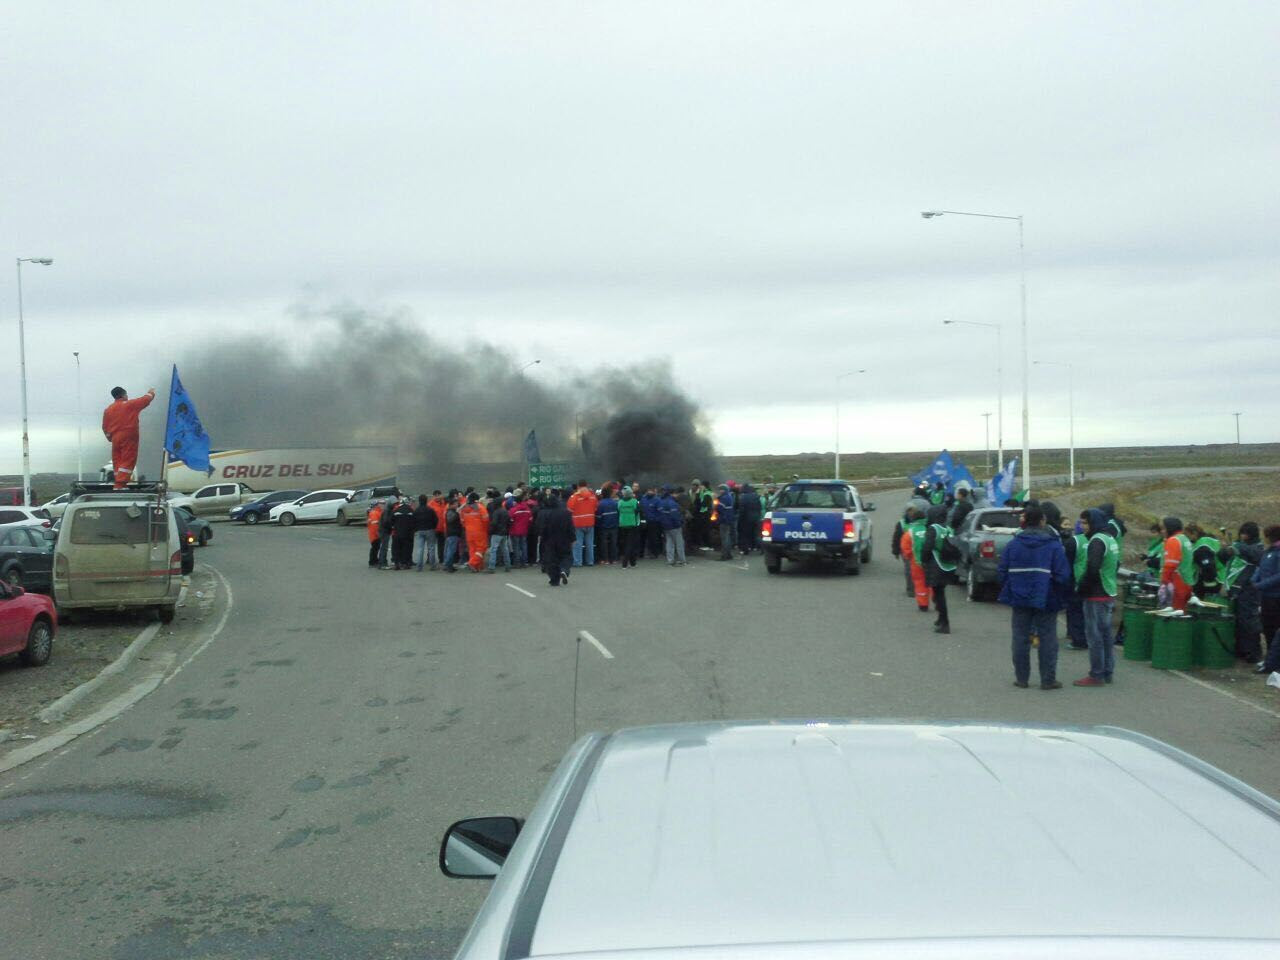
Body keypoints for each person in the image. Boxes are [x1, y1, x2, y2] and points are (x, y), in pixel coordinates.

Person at [998, 504, 1070, 689]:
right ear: (1042, 521)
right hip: (1047, 597)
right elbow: (1063, 575)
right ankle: (1048, 679)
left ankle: (1022, 679)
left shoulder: (1013, 545)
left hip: (1019, 597)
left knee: (1020, 637)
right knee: (1047, 638)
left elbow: (1002, 571)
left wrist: (1012, 587)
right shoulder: (1053, 545)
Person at [1074, 508, 1122, 687]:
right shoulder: (1110, 538)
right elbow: (1116, 564)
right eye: (1081, 522)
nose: (1081, 526)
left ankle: (1096, 674)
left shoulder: (1096, 541)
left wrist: (1083, 589)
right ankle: (1107, 671)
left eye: (1085, 523)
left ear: (1094, 523)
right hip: (1108, 591)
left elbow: (1093, 568)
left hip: (1096, 594)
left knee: (1094, 637)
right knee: (1106, 635)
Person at [1221, 522, 1264, 663]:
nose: (1243, 536)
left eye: (1246, 533)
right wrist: (1225, 550)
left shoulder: (1258, 547)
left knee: (1249, 621)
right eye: (1241, 533)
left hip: (1250, 590)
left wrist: (1238, 547)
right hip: (1236, 588)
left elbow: (1256, 555)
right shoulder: (1238, 545)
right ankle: (1240, 649)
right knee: (1237, 621)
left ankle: (1253, 652)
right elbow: (1224, 559)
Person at [101, 385, 156, 489]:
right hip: (129, 436)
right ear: (123, 395)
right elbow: (145, 400)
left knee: (118, 460)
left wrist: (110, 438)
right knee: (128, 459)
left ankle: (118, 482)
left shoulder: (108, 410)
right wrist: (151, 392)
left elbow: (104, 427)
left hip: (115, 439)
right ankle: (120, 484)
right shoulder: (129, 404)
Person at [1050, 503, 1088, 651]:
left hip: (1078, 581)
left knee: (1076, 610)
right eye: (1065, 524)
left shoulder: (1074, 542)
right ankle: (1078, 635)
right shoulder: (1092, 540)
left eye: (1070, 524)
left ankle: (1078, 638)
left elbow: (1067, 563)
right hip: (1086, 582)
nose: (1068, 527)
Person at [921, 505, 957, 633]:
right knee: (939, 593)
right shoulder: (949, 529)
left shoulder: (933, 529)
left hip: (936, 565)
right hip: (949, 565)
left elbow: (927, 548)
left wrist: (923, 561)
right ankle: (940, 619)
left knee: (939, 595)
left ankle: (944, 623)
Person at [1253, 526, 1280, 675]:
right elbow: (1260, 568)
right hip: (1266, 596)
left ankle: (1274, 662)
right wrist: (1254, 580)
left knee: (1275, 629)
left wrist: (1261, 585)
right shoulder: (1268, 551)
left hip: (1276, 597)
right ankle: (1270, 659)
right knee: (1267, 629)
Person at [1159, 516, 1194, 611]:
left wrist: (1164, 582)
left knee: (1171, 616)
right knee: (1181, 613)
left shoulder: (1173, 540)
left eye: (1163, 528)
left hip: (1176, 584)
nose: (1162, 531)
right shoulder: (1184, 539)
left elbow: (1170, 565)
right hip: (1187, 581)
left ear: (1170, 528)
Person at [540, 495, 576, 586]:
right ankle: (564, 570)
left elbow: (543, 528)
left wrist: (543, 538)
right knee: (567, 556)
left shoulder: (546, 513)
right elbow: (570, 527)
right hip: (564, 539)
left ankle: (554, 579)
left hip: (550, 540)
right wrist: (573, 538)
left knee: (552, 560)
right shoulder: (566, 513)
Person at [901, 507, 930, 612]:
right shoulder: (930, 530)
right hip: (931, 562)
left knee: (919, 583)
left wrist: (909, 557)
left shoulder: (910, 533)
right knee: (932, 582)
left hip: (916, 562)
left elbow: (905, 548)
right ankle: (936, 600)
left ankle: (923, 604)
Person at [1184, 522, 1223, 598]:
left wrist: (1209, 585)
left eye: (1187, 535)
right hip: (1221, 577)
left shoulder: (1201, 547)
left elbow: (1207, 566)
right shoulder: (1210, 540)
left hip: (1213, 582)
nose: (1186, 538)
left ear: (1194, 533)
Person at [567, 480, 598, 567]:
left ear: (578, 486)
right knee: (589, 543)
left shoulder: (574, 497)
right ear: (586, 485)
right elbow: (596, 508)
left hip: (578, 522)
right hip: (590, 521)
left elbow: (569, 509)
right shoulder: (592, 495)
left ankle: (578, 562)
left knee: (577, 544)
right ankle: (590, 561)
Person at [460, 492, 489, 572]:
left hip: (469, 532)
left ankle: (477, 567)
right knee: (481, 548)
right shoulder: (480, 507)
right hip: (480, 531)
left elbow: (462, 521)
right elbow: (486, 520)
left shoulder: (464, 508)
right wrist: (485, 530)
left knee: (472, 550)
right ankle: (472, 563)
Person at [657, 486, 686, 565]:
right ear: (672, 494)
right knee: (679, 543)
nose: (677, 495)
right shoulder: (672, 503)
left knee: (669, 543)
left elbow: (660, 514)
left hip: (665, 526)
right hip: (674, 526)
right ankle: (682, 560)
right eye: (675, 494)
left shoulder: (660, 502)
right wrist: (679, 524)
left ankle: (670, 560)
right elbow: (675, 516)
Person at [412, 495, 439, 572]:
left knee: (420, 548)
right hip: (430, 529)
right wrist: (433, 527)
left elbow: (413, 521)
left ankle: (419, 566)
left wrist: (416, 528)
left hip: (420, 530)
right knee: (431, 548)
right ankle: (432, 565)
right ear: (426, 501)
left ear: (419, 501)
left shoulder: (416, 511)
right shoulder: (430, 510)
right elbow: (435, 519)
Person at [617, 486, 642, 568]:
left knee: (626, 544)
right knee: (631, 544)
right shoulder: (634, 502)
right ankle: (625, 563)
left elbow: (618, 511)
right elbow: (638, 511)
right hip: (632, 524)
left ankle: (633, 562)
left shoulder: (620, 502)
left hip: (622, 524)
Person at [486, 497, 512, 573]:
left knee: (493, 550)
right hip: (504, 533)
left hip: (496, 533)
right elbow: (509, 522)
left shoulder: (496, 512)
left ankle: (491, 567)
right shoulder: (505, 511)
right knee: (505, 549)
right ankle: (508, 566)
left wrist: (490, 530)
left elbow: (494, 523)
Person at [595, 488, 619, 565]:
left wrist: (599, 525)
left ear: (602, 494)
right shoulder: (615, 503)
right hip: (614, 526)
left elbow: (598, 517)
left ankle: (605, 560)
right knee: (613, 543)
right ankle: (614, 559)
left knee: (604, 544)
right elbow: (618, 514)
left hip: (604, 527)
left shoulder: (600, 504)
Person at [390, 498, 416, 570]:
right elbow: (414, 521)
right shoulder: (411, 511)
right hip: (408, 533)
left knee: (396, 548)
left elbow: (391, 521)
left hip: (397, 532)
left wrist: (393, 527)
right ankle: (405, 563)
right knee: (406, 548)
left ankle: (396, 563)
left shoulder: (396, 510)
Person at [508, 494, 533, 568]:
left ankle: (517, 563)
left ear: (515, 502)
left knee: (516, 547)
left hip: (515, 531)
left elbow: (510, 521)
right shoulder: (528, 509)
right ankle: (524, 562)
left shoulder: (513, 510)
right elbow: (530, 520)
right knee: (524, 546)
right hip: (524, 530)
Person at [738, 483, 763, 555]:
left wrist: (741, 519)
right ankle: (762, 547)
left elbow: (742, 510)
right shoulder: (756, 496)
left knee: (745, 534)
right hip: (756, 518)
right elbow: (759, 507)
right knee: (756, 534)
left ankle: (745, 550)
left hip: (746, 519)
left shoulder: (743, 498)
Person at [442, 495, 463, 573]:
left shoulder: (451, 511)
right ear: (451, 504)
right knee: (451, 550)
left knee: (450, 550)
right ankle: (447, 565)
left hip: (452, 533)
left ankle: (449, 565)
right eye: (455, 503)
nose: (457, 505)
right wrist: (457, 514)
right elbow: (450, 520)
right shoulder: (451, 512)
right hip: (452, 533)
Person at [715, 483, 737, 560]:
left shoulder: (724, 498)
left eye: (720, 489)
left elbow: (719, 508)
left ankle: (724, 556)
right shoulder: (730, 497)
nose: (719, 491)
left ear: (724, 490)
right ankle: (729, 554)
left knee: (724, 538)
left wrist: (717, 502)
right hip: (729, 519)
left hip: (724, 520)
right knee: (727, 537)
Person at [640, 486, 662, 558]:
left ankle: (655, 553)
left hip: (654, 522)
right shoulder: (643, 499)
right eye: (649, 490)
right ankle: (641, 553)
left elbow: (660, 512)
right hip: (644, 521)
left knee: (653, 538)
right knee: (642, 538)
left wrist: (657, 519)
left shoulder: (657, 500)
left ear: (654, 491)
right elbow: (641, 510)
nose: (650, 492)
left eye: (651, 491)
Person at [689, 481, 712, 549]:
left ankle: (707, 545)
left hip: (705, 514)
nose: (700, 487)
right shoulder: (703, 492)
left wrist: (698, 501)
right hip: (701, 514)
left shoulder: (707, 493)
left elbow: (704, 504)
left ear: (704, 486)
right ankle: (703, 544)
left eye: (701, 485)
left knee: (705, 530)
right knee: (701, 529)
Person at [377, 497, 396, 569]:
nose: (394, 505)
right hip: (384, 531)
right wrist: (391, 526)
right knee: (384, 547)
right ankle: (382, 564)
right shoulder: (388, 511)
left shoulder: (387, 510)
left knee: (383, 547)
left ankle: (382, 563)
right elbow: (386, 521)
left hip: (383, 530)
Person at [366, 499, 384, 567]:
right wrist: (378, 533)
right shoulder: (374, 513)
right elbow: (375, 525)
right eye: (379, 504)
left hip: (373, 534)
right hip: (375, 534)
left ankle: (374, 560)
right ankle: (372, 561)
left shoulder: (374, 512)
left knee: (375, 548)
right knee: (375, 548)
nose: (381, 505)